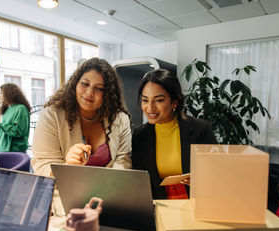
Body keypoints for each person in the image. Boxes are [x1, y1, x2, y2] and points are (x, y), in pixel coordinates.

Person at [31, 57, 131, 176]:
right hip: (63, 190)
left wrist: (106, 190)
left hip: (108, 191)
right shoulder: (51, 116)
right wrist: (68, 166)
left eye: (99, 88)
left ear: (108, 94)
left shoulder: (120, 118)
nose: (89, 93)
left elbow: (123, 163)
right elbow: (43, 166)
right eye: (85, 84)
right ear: (75, 84)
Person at [132, 69, 217, 199]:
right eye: (145, 100)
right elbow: (139, 181)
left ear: (175, 102)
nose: (150, 108)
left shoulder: (201, 129)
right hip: (158, 207)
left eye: (159, 100)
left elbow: (217, 174)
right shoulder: (140, 135)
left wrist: (202, 180)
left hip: (197, 203)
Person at [0, 83, 30, 153]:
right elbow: (3, 133)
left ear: (9, 94)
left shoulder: (21, 108)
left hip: (15, 151)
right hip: (3, 150)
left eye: (1, 93)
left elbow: (18, 132)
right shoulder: (8, 109)